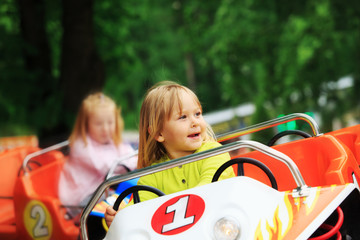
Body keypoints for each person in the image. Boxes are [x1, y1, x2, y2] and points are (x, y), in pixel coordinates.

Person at [105, 81, 235, 227]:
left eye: (197, 114)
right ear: (159, 133)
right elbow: (139, 210)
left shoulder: (214, 152)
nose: (195, 122)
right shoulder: (153, 174)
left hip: (223, 226)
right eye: (182, 117)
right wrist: (119, 218)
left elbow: (207, 191)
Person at [58, 92, 137, 218]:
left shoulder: (113, 142)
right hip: (82, 197)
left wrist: (139, 160)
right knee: (119, 199)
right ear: (86, 125)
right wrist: (135, 163)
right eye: (99, 124)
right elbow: (107, 167)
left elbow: (130, 155)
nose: (105, 129)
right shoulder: (81, 145)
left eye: (110, 123)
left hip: (104, 189)